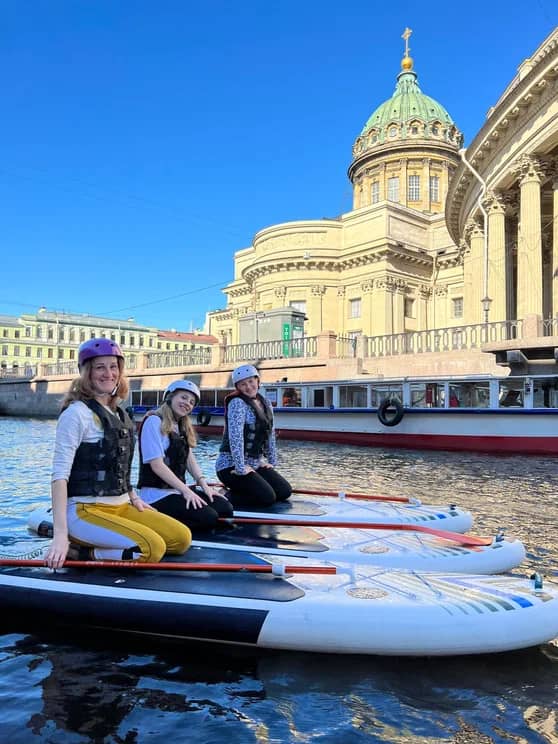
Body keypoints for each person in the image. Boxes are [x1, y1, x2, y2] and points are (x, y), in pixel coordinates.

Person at [45, 338, 191, 569]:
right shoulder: (76, 414)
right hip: (85, 509)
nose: (108, 373)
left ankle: (94, 544)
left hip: (122, 504)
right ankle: (83, 551)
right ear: (86, 372)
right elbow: (59, 476)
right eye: (99, 367)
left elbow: (119, 464)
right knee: (152, 548)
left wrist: (133, 497)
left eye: (113, 367)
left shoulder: (119, 414)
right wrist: (60, 536)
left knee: (181, 539)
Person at [137, 379, 233, 532]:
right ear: (170, 397)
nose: (187, 403)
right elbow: (157, 465)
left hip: (177, 490)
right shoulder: (154, 422)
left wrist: (204, 485)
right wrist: (187, 491)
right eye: (183, 397)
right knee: (209, 518)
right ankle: (158, 522)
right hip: (157, 495)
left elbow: (189, 458)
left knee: (225, 508)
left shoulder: (181, 426)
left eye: (191, 402)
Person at [215, 364, 292, 509]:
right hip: (230, 466)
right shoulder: (237, 403)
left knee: (284, 491)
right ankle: (224, 495)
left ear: (258, 380)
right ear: (237, 387)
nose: (248, 387)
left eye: (251, 381)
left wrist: (271, 462)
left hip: (254, 464)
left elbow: (270, 434)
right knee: (267, 498)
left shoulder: (266, 403)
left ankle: (242, 488)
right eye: (243, 384)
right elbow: (235, 437)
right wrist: (240, 468)